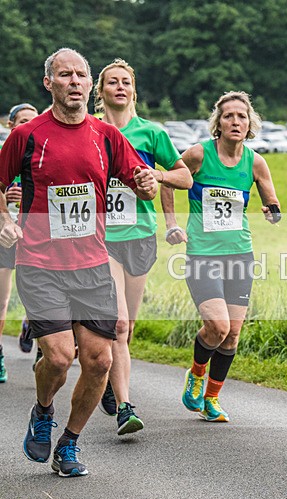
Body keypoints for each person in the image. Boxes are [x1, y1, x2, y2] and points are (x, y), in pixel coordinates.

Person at [0, 48, 158, 477]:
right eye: (64, 74)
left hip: (92, 266)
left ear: (90, 85)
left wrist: (146, 182)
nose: (74, 81)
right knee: (57, 357)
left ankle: (68, 443)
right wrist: (4, 219)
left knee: (99, 361)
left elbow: (141, 185)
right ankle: (43, 411)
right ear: (48, 83)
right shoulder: (28, 135)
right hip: (40, 264)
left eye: (81, 75)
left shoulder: (106, 135)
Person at [163, 91, 280, 422]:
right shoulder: (200, 155)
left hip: (240, 255)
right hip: (202, 254)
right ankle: (197, 375)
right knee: (216, 326)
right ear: (218, 122)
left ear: (250, 123)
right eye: (228, 116)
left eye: (241, 116)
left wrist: (273, 212)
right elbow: (169, 181)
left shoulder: (255, 161)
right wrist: (171, 224)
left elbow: (273, 203)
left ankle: (212, 399)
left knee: (232, 334)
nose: (235, 121)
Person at [93, 58, 192, 435]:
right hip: (101, 240)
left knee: (128, 328)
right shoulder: (90, 130)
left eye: (126, 82)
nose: (120, 87)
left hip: (139, 237)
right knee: (117, 324)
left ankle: (107, 381)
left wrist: (157, 175)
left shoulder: (151, 134)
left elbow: (183, 175)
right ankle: (125, 407)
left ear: (134, 91)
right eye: (112, 82)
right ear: (100, 92)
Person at [0, 103, 38, 383]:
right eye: (22, 120)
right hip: (5, 235)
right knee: (2, 298)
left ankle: (32, 327)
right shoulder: (5, 153)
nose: (28, 125)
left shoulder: (43, 153)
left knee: (39, 296)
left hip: (35, 235)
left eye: (33, 121)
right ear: (11, 126)